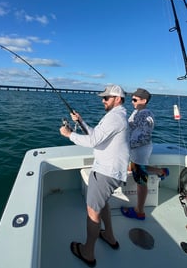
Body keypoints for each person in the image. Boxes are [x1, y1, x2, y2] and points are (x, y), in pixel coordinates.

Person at [60, 84, 130, 267]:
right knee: (103, 203)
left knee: (93, 212)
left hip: (106, 172)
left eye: (106, 97)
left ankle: (88, 252)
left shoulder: (114, 118)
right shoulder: (117, 116)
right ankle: (109, 236)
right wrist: (81, 122)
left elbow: (92, 141)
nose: (103, 100)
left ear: (117, 99)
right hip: (111, 171)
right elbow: (97, 136)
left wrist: (69, 135)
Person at [121, 88, 169, 220]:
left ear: (144, 100)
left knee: (141, 182)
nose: (132, 102)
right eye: (132, 99)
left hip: (139, 151)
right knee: (134, 168)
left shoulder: (145, 115)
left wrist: (125, 147)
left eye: (135, 100)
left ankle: (139, 211)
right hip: (138, 151)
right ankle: (161, 171)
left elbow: (143, 137)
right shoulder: (138, 111)